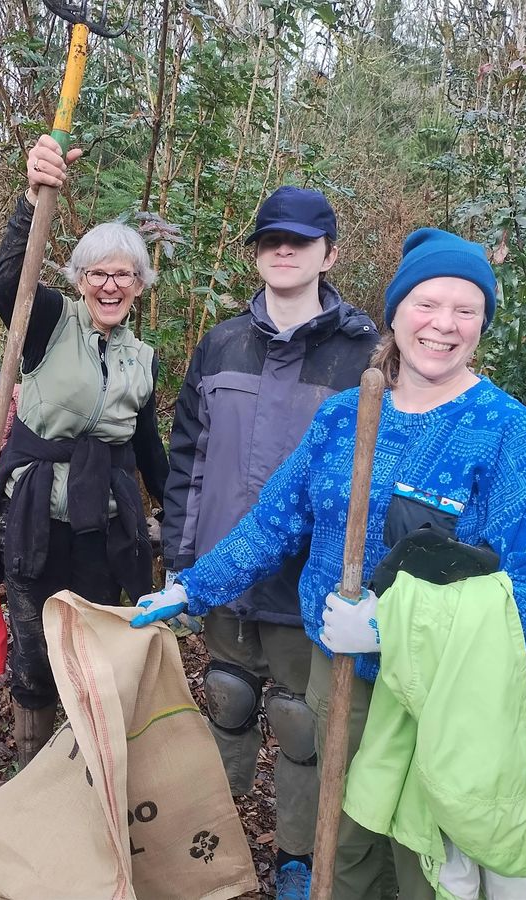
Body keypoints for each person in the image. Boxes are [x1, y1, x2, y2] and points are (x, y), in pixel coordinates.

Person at [134, 228, 526, 899]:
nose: (444, 324)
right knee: (342, 850)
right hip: (339, 677)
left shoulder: (506, 433)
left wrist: (392, 627)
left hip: (440, 697)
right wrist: (191, 588)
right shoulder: (345, 416)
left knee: (422, 866)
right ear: (395, 313)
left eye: (465, 310)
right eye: (427, 304)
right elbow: (274, 521)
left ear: (482, 324)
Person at [161, 186, 378, 900]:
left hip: (308, 585)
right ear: (255, 253)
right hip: (221, 571)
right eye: (271, 240)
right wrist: (183, 561)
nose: (283, 251)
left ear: (329, 254)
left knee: (300, 724)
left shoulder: (365, 353)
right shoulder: (221, 343)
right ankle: (213, 845)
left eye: (300, 241)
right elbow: (188, 458)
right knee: (225, 700)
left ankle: (295, 857)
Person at [0, 134, 169, 766]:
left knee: (95, 649)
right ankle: (32, 768)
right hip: (36, 511)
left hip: (105, 521)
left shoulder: (142, 357)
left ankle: (88, 766)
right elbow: (7, 281)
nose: (110, 284)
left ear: (140, 284)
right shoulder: (49, 321)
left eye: (124, 274)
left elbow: (147, 447)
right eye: (98, 273)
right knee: (35, 649)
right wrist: (33, 197)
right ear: (80, 280)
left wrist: (177, 517)